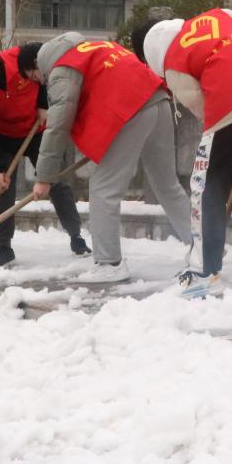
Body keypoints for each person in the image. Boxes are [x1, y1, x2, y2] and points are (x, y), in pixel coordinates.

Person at [133, 10, 232, 298]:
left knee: (208, 186)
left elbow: (202, 108)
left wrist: (221, 148)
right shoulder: (220, 17)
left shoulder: (173, 61)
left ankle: (203, 272)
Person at [24, 35, 193, 283]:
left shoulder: (62, 68)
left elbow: (58, 124)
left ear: (39, 65)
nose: (40, 83)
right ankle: (204, 245)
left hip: (131, 110)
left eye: (35, 77)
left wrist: (44, 177)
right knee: (167, 184)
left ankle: (109, 263)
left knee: (103, 189)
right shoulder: (93, 47)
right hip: (158, 100)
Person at [0, 38, 89, 267]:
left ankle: (76, 235)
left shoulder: (20, 58)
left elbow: (48, 71)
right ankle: (4, 246)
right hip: (3, 138)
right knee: (2, 188)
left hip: (37, 130)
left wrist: (43, 103)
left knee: (55, 180)